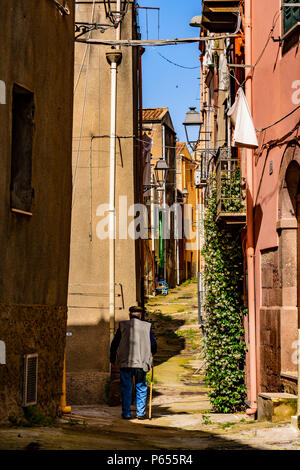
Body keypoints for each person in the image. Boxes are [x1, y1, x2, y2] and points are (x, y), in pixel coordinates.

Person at [110, 305, 157, 420]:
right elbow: (153, 344)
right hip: (141, 363)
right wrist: (152, 354)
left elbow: (114, 344)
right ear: (140, 315)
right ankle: (140, 413)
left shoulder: (122, 326)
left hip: (126, 362)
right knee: (141, 386)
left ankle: (126, 413)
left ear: (129, 315)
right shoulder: (147, 327)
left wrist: (112, 359)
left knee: (126, 387)